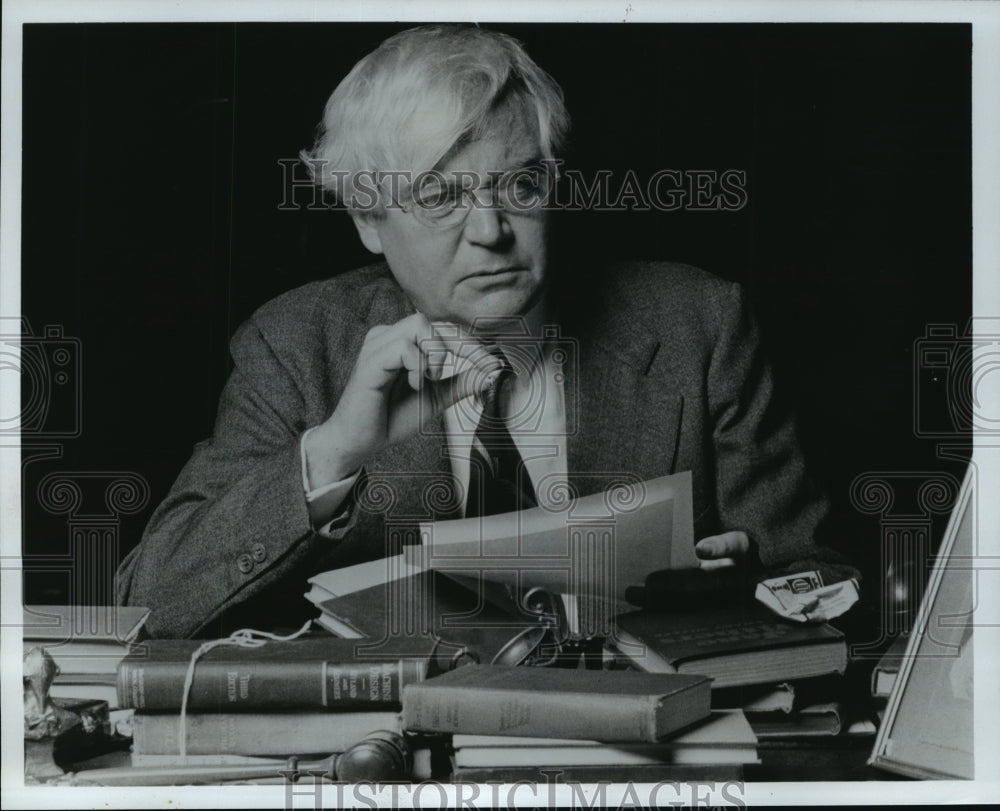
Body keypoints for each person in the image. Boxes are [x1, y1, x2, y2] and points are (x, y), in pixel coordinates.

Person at [117, 25, 855, 639]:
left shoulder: (699, 323)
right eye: (438, 195)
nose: (492, 232)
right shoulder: (295, 345)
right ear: (368, 223)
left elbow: (831, 584)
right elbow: (145, 604)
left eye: (521, 186)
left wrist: (752, 583)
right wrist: (334, 450)